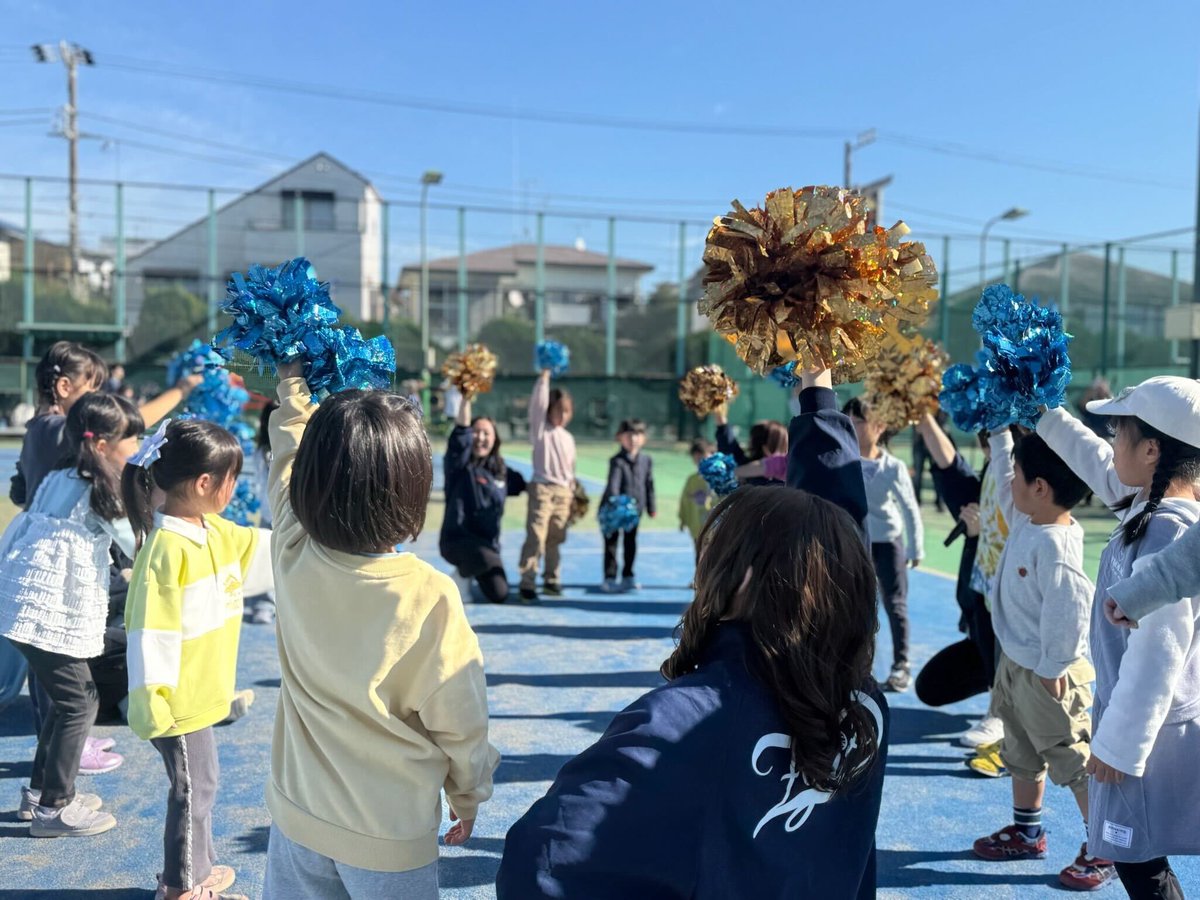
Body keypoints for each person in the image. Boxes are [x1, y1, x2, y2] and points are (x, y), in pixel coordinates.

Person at [497, 366, 886, 899]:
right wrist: (818, 400)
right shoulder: (859, 697)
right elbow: (836, 546)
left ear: (743, 577)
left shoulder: (682, 720)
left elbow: (540, 862)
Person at [260, 365, 498, 900]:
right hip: (389, 835)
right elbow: (460, 719)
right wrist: (468, 794)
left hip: (298, 815)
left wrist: (292, 387)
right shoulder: (428, 594)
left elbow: (285, 457)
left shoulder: (292, 547)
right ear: (412, 490)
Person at [1038, 376, 1200, 898]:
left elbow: (1159, 651)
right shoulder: (1148, 507)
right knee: (1138, 856)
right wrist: (1044, 412)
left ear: (1152, 449)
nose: (1111, 446)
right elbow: (1098, 464)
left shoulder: (1164, 530)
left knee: (1138, 859)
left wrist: (1119, 746)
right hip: (1150, 725)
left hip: (1150, 732)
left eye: (1120, 434)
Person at [970, 428, 1116, 891]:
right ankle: (1027, 832)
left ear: (1040, 487)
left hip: (1049, 673)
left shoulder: (1056, 547)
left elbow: (1071, 613)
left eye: (1017, 475)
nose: (1007, 482)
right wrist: (998, 434)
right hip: (1017, 665)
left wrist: (1053, 669)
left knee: (1072, 759)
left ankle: (1105, 848)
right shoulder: (1028, 517)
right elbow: (1001, 467)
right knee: (1021, 753)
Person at [122, 418, 257, 900]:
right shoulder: (166, 550)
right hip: (176, 703)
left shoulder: (209, 531)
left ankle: (196, 869)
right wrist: (156, 705)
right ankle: (181, 887)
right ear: (204, 484)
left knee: (204, 784)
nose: (235, 489)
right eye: (231, 479)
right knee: (192, 791)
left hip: (200, 695)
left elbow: (259, 545)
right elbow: (149, 635)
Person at [0, 393, 142, 837]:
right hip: (46, 614)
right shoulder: (102, 489)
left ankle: (40, 792)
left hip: (24, 609)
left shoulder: (60, 476)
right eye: (131, 438)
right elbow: (139, 542)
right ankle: (54, 807)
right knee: (79, 702)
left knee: (70, 702)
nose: (137, 447)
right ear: (102, 444)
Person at [912, 415, 1005, 750]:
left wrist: (985, 538)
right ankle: (1009, 684)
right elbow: (950, 464)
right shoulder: (987, 483)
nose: (990, 447)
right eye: (987, 441)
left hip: (1018, 632)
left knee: (987, 601)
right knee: (932, 686)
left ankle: (1004, 706)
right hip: (985, 636)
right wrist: (921, 417)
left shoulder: (1023, 488)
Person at [843, 397, 923, 693]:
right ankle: (857, 667)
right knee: (854, 606)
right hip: (854, 543)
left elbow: (910, 508)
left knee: (895, 604)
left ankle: (902, 665)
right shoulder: (843, 461)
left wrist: (915, 549)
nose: (852, 426)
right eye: (848, 420)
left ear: (879, 426)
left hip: (888, 543)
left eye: (859, 421)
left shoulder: (893, 467)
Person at [440, 392, 527, 603]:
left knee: (500, 594)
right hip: (457, 542)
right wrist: (467, 397)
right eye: (476, 432)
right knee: (483, 556)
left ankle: (470, 573)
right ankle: (459, 578)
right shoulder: (459, 465)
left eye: (486, 433)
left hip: (488, 548)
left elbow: (526, 486)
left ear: (495, 438)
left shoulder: (501, 470)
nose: (480, 438)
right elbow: (461, 431)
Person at [518, 367, 577, 601]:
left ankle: (552, 579)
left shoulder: (569, 438)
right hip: (542, 489)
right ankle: (527, 580)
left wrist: (572, 490)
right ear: (549, 410)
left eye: (566, 411)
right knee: (536, 536)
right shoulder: (541, 431)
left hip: (564, 492)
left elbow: (570, 469)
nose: (562, 415)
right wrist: (544, 378)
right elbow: (537, 406)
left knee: (555, 538)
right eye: (557, 410)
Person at [600, 419, 655, 593]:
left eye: (637, 434)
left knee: (630, 543)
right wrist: (616, 502)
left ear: (643, 438)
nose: (633, 438)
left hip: (634, 513)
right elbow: (613, 484)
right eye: (629, 434)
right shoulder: (616, 461)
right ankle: (609, 577)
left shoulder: (646, 460)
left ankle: (628, 575)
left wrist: (651, 507)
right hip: (614, 511)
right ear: (620, 438)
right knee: (611, 543)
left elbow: (649, 484)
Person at [244, 401, 279, 625]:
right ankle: (265, 603)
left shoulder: (264, 448)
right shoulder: (268, 451)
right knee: (269, 562)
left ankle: (269, 603)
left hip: (275, 512)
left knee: (272, 560)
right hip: (276, 512)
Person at [713, 400, 787, 487]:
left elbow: (729, 449)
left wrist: (721, 422)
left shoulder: (748, 473)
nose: (749, 442)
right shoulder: (791, 474)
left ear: (764, 447)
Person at [678, 438, 714, 547]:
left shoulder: (719, 478)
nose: (699, 460)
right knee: (700, 560)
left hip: (715, 528)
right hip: (697, 528)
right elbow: (684, 500)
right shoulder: (691, 480)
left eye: (703, 456)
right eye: (696, 457)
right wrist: (683, 519)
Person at [911, 410, 950, 511]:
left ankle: (939, 502)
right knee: (918, 474)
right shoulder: (918, 405)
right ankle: (917, 501)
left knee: (938, 472)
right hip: (919, 443)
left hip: (935, 443)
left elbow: (944, 418)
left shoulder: (938, 403)